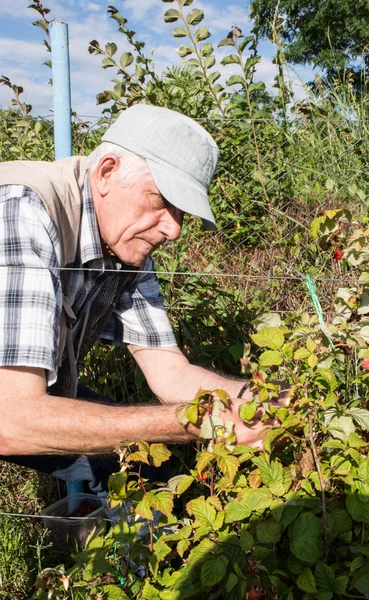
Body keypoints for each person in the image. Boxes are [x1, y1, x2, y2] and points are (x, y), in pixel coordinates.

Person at [0, 105, 282, 493]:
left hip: (21, 400)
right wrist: (193, 421)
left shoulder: (124, 241)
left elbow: (169, 371)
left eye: (181, 212)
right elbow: (12, 421)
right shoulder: (23, 209)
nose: (174, 229)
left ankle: (121, 548)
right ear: (107, 172)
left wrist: (264, 401)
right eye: (162, 201)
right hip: (11, 407)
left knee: (144, 475)